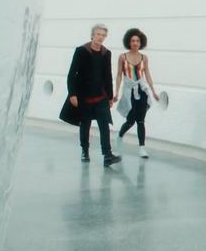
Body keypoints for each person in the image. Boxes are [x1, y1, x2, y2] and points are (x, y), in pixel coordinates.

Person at [59, 24, 122, 167]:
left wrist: (110, 97)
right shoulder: (81, 51)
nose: (100, 37)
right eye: (98, 34)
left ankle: (107, 155)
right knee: (85, 125)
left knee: (104, 125)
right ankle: (85, 151)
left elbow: (108, 76)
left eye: (103, 35)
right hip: (84, 97)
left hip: (101, 97)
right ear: (92, 35)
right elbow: (71, 74)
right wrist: (72, 94)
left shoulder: (106, 53)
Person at [113, 28, 161, 158]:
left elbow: (148, 74)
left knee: (141, 120)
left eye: (138, 41)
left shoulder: (144, 57)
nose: (135, 43)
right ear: (129, 42)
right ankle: (119, 137)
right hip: (129, 91)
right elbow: (118, 75)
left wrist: (153, 92)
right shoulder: (122, 57)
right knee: (130, 120)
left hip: (142, 90)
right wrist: (116, 92)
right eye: (133, 40)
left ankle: (142, 148)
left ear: (141, 43)